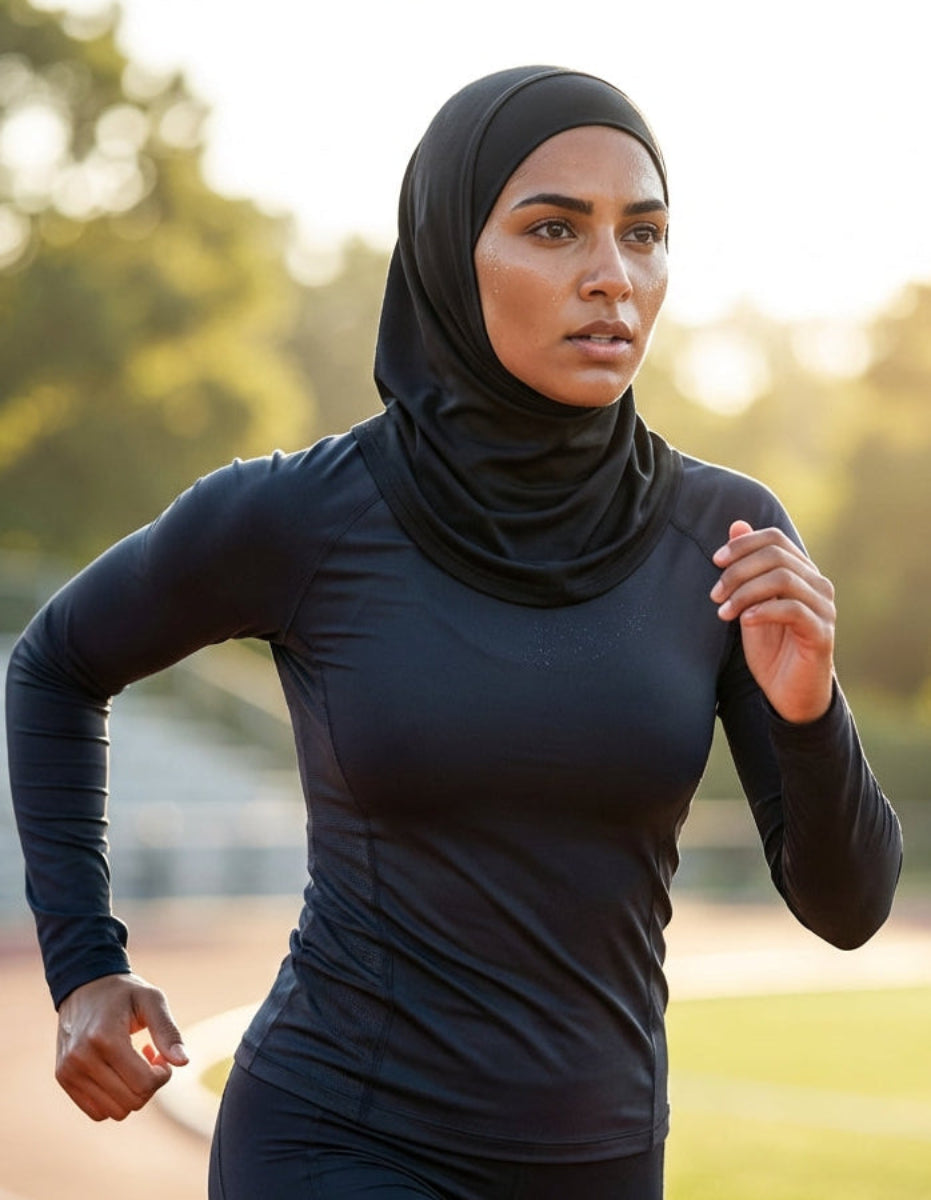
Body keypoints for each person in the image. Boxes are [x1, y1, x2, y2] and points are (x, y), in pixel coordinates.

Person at [5, 65, 902, 1200]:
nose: (610, 277)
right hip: (336, 1142)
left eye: (644, 233)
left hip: (601, 1160)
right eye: (552, 229)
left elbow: (847, 909)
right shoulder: (303, 515)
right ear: (444, 250)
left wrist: (810, 712)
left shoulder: (725, 537)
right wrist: (84, 966)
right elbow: (55, 663)